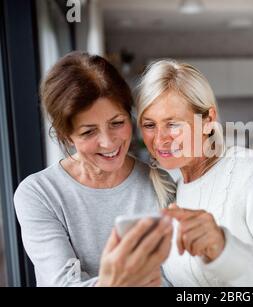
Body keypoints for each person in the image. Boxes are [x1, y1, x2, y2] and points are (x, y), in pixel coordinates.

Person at [136, 59, 253, 286]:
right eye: (149, 125)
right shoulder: (170, 185)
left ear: (208, 121)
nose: (160, 139)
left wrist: (225, 248)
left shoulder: (251, 174)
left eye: (173, 124)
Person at [13, 52, 176, 286]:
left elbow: (178, 277)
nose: (109, 143)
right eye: (89, 131)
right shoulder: (39, 193)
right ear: (66, 136)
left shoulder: (162, 183)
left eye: (117, 123)